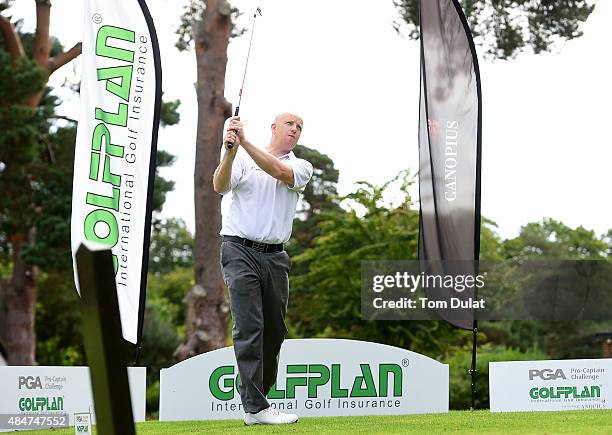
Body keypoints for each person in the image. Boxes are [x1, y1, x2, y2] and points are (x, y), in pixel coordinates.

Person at [213, 112, 313, 425]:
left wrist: (243, 141)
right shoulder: (241, 156)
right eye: (289, 124)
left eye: (299, 127)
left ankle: (260, 400)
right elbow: (219, 185)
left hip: (276, 257)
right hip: (239, 249)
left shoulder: (301, 166)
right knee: (249, 326)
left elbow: (279, 171)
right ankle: (254, 407)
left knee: (274, 330)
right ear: (274, 128)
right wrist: (229, 152)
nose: (295, 129)